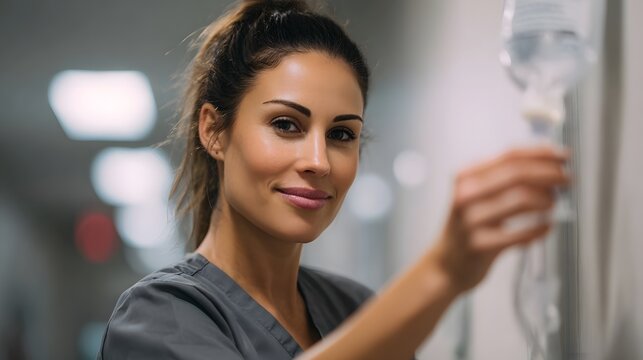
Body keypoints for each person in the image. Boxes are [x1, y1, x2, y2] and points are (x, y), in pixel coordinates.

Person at [98, 0, 570, 359]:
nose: (319, 161)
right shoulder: (160, 316)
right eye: (286, 125)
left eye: (342, 134)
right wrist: (442, 272)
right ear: (214, 131)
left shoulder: (354, 307)